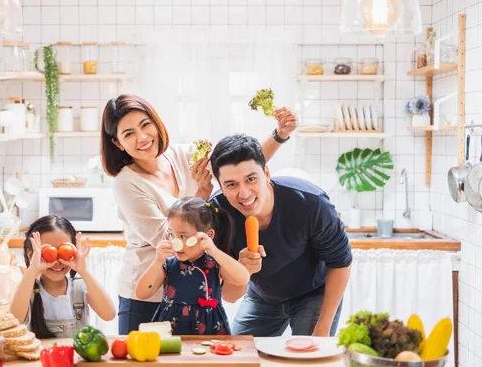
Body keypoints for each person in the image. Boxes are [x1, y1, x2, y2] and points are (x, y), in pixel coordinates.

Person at [100, 94, 297, 334]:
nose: (142, 138)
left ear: (156, 122)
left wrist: (280, 134)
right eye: (128, 134)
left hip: (195, 294)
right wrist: (201, 195)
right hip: (149, 296)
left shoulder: (182, 155)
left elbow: (237, 165)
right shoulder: (126, 183)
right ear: (118, 143)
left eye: (145, 125)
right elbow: (171, 240)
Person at [209, 134, 352, 337]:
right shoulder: (218, 214)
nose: (244, 194)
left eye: (251, 179)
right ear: (221, 186)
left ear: (266, 173)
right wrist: (241, 271)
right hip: (261, 296)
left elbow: (340, 263)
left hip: (314, 294)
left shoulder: (310, 203)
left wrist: (323, 328)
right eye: (231, 184)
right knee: (239, 355)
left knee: (307, 362)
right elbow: (230, 296)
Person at [135, 197, 250, 335]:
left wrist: (215, 251)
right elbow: (141, 293)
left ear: (207, 235)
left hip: (209, 328)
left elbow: (243, 278)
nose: (176, 241)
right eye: (171, 234)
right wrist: (157, 261)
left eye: (183, 236)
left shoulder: (215, 263)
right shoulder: (168, 264)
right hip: (172, 329)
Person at [10, 215, 116, 338]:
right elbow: (14, 321)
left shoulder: (80, 285)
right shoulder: (29, 290)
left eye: (65, 252)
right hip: (42, 356)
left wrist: (84, 271)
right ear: (31, 255)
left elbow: (109, 314)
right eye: (48, 253)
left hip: (76, 356)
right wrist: (32, 270)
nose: (57, 262)